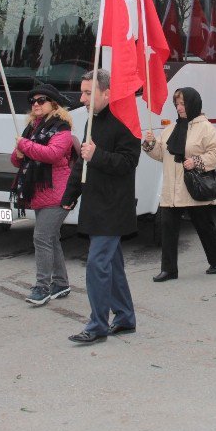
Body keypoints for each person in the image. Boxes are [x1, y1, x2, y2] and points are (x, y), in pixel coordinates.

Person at [60, 70, 140, 342]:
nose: (81, 99)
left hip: (113, 207)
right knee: (112, 264)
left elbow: (129, 163)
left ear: (107, 93)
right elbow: (82, 161)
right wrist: (70, 195)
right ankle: (125, 317)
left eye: (88, 93)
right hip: (95, 204)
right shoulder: (90, 121)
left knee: (97, 265)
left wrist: (98, 155)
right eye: (82, 92)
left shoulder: (125, 121)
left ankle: (97, 326)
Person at [143, 87, 216, 281]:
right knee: (168, 229)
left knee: (204, 226)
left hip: (192, 186)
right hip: (171, 189)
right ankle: (169, 270)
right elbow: (161, 155)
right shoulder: (171, 129)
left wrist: (197, 161)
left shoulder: (205, 127)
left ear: (193, 104)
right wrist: (150, 145)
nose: (180, 108)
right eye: (177, 104)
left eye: (183, 103)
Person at [9, 84, 78, 306]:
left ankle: (42, 287)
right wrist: (20, 152)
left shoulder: (62, 130)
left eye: (41, 100)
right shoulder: (32, 129)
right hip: (39, 192)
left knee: (41, 237)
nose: (36, 104)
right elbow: (16, 159)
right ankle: (61, 283)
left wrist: (25, 146)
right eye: (33, 101)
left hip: (58, 193)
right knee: (50, 238)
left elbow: (52, 154)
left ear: (53, 104)